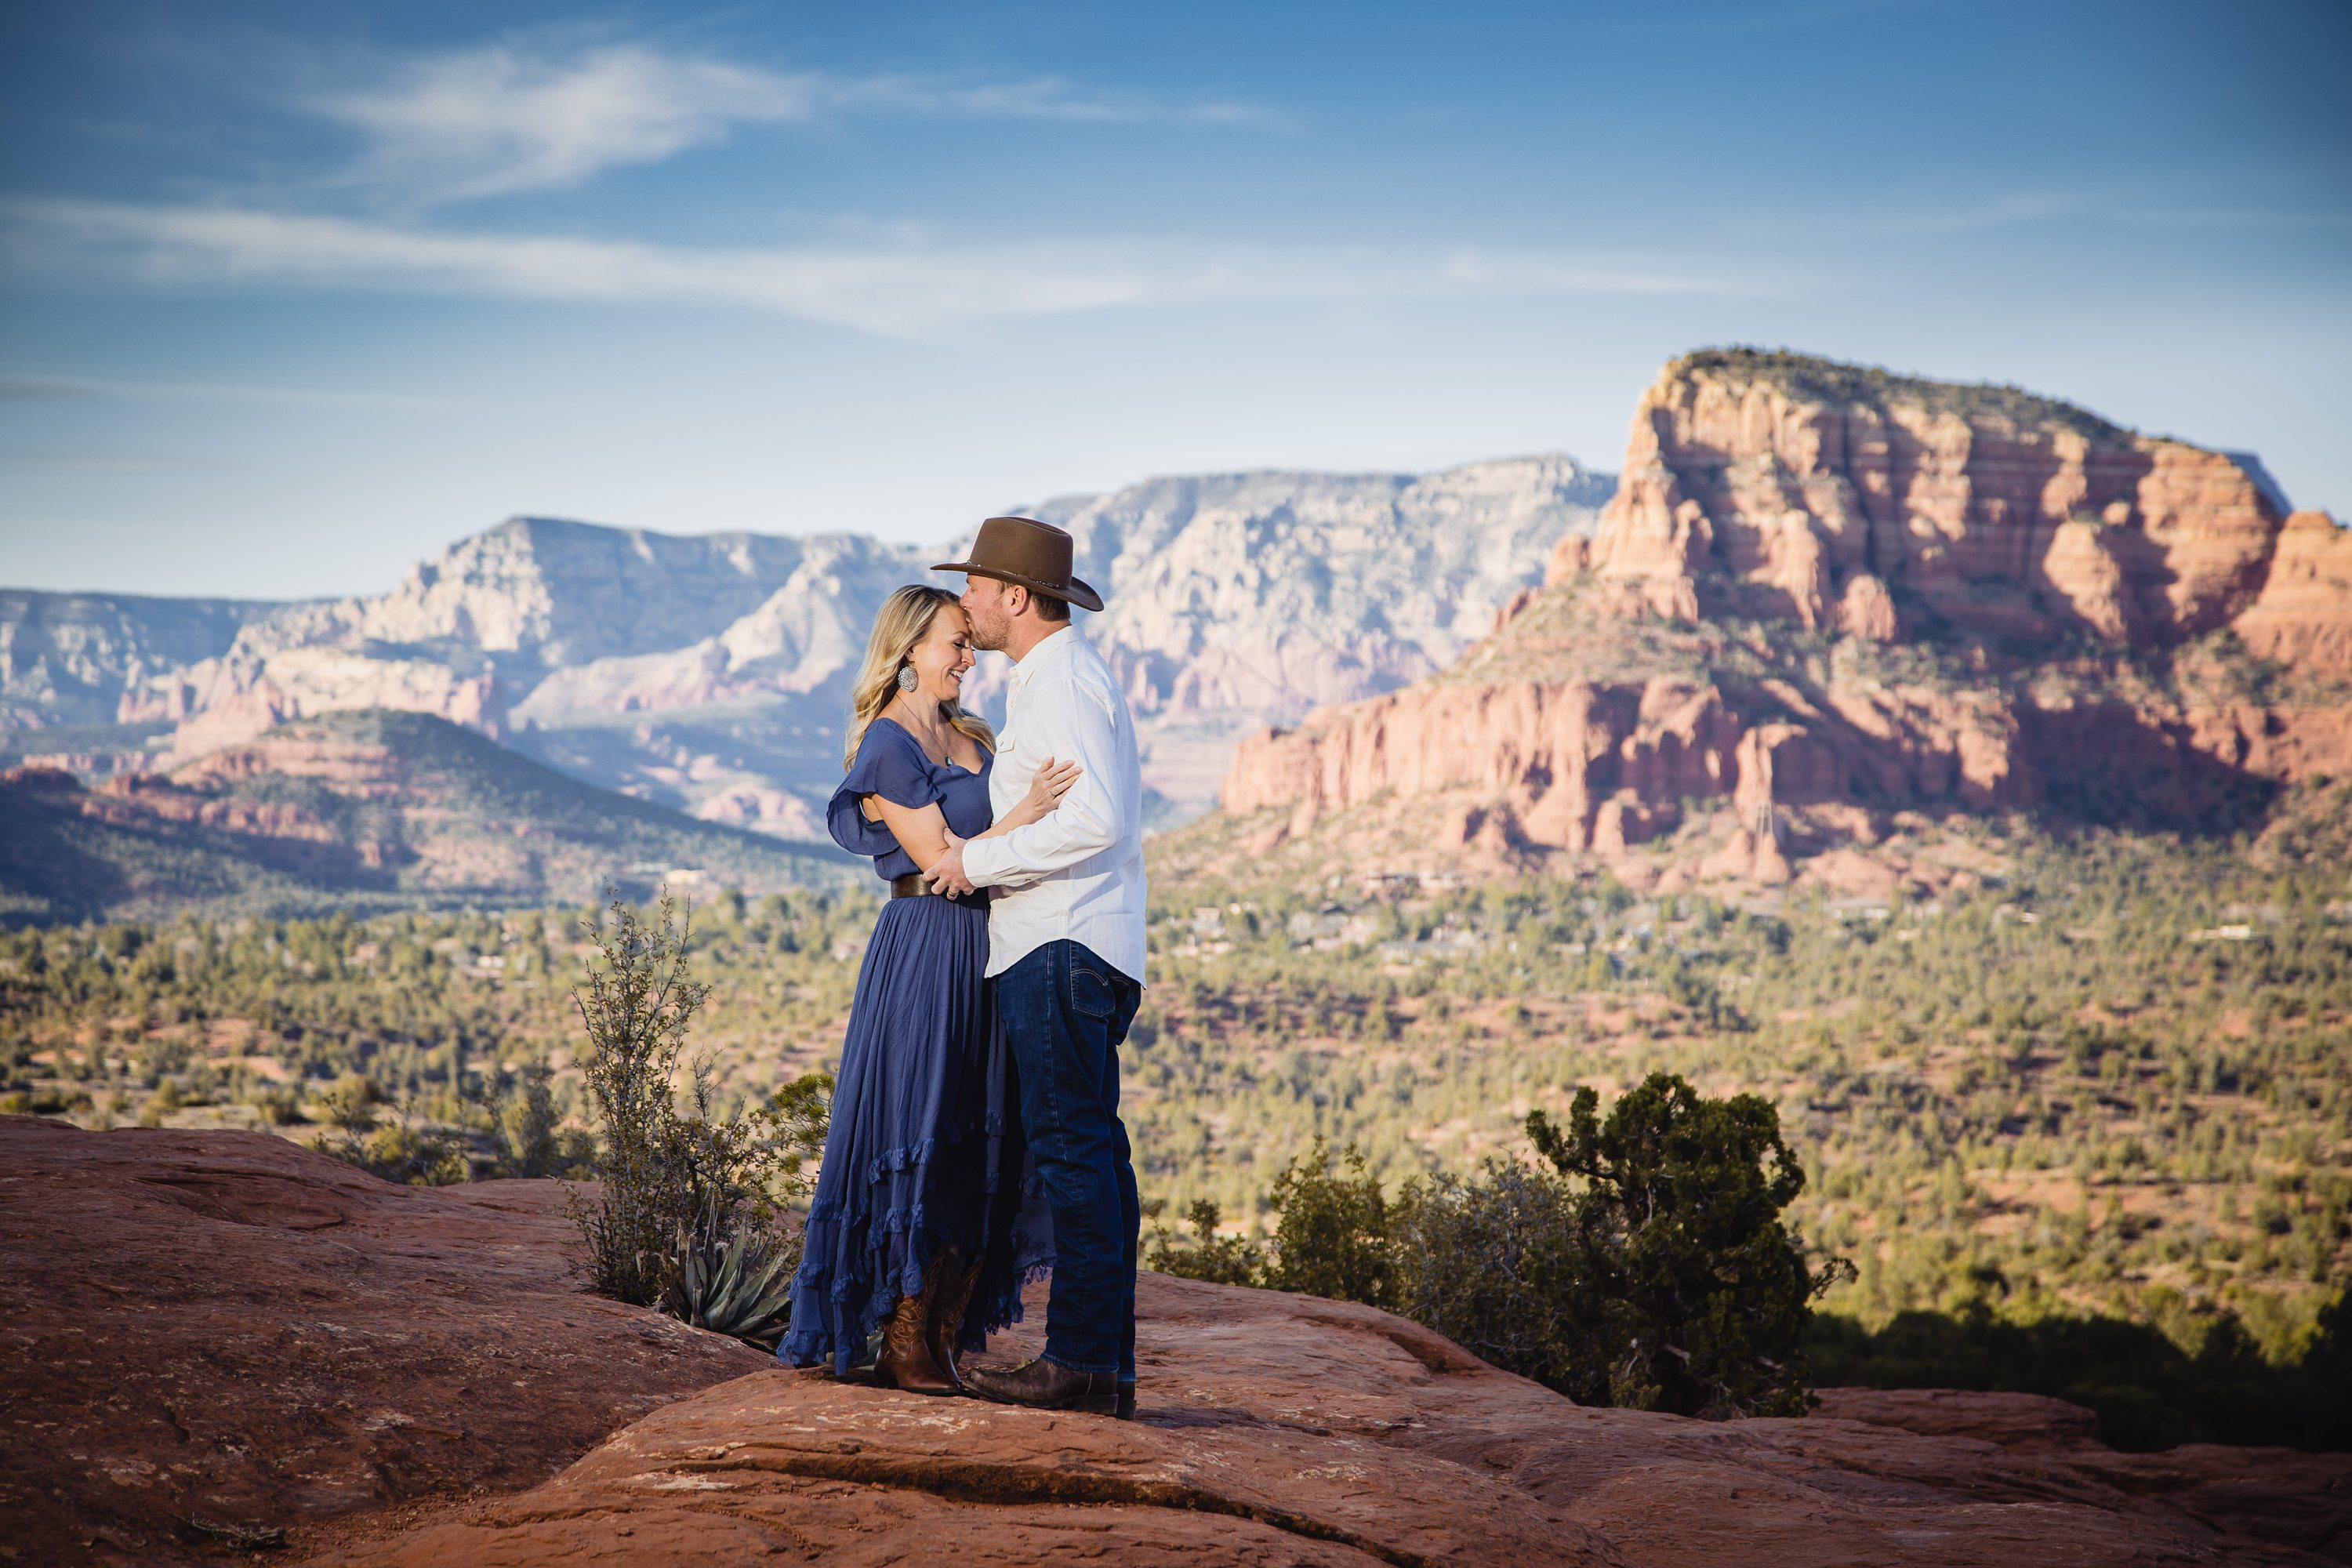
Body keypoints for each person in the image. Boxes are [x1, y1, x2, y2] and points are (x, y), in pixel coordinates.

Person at [779, 584, 1077, 1393]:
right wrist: (1026, 814)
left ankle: (944, 1335)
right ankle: (903, 1340)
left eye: (967, 642)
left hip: (994, 941)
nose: (966, 655)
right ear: (910, 649)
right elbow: (941, 853)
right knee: (925, 1120)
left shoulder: (974, 736)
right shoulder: (886, 748)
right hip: (926, 944)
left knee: (986, 1135)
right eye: (954, 642)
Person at [922, 516, 1149, 1419]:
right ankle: (1106, 1364)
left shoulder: (1059, 683)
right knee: (1096, 1152)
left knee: (1074, 1152)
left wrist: (972, 863)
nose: (968, 601)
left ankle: (1084, 1363)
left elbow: (1096, 821)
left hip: (1059, 943)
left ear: (1015, 596)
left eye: (977, 585)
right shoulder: (1067, 679)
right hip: (1085, 942)